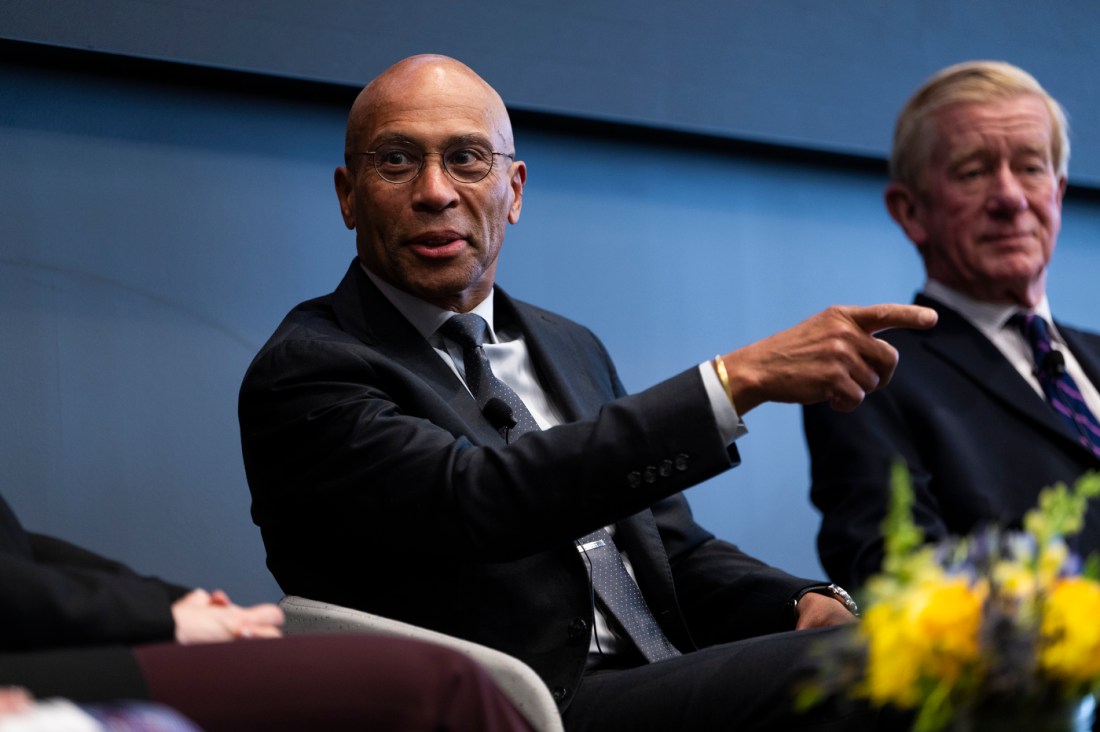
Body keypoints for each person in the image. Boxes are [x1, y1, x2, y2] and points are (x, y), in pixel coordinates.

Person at [238, 53, 935, 731]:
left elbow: (668, 549)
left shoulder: (569, 346)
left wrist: (798, 602)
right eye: (396, 159)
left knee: (924, 647)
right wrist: (733, 383)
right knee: (881, 665)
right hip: (519, 706)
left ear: (513, 192)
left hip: (658, 675)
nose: (435, 191)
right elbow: (480, 499)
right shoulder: (309, 370)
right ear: (347, 196)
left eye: (467, 158)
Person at [803, 60, 1100, 591]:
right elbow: (896, 577)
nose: (1011, 198)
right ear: (911, 212)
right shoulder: (869, 374)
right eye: (974, 172)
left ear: (1057, 194)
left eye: (1031, 168)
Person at [0, 490, 536, 732]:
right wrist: (160, 618)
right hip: (30, 665)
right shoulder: (315, 356)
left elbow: (19, 544)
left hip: (45, 631)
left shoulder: (568, 342)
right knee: (440, 684)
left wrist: (170, 601)